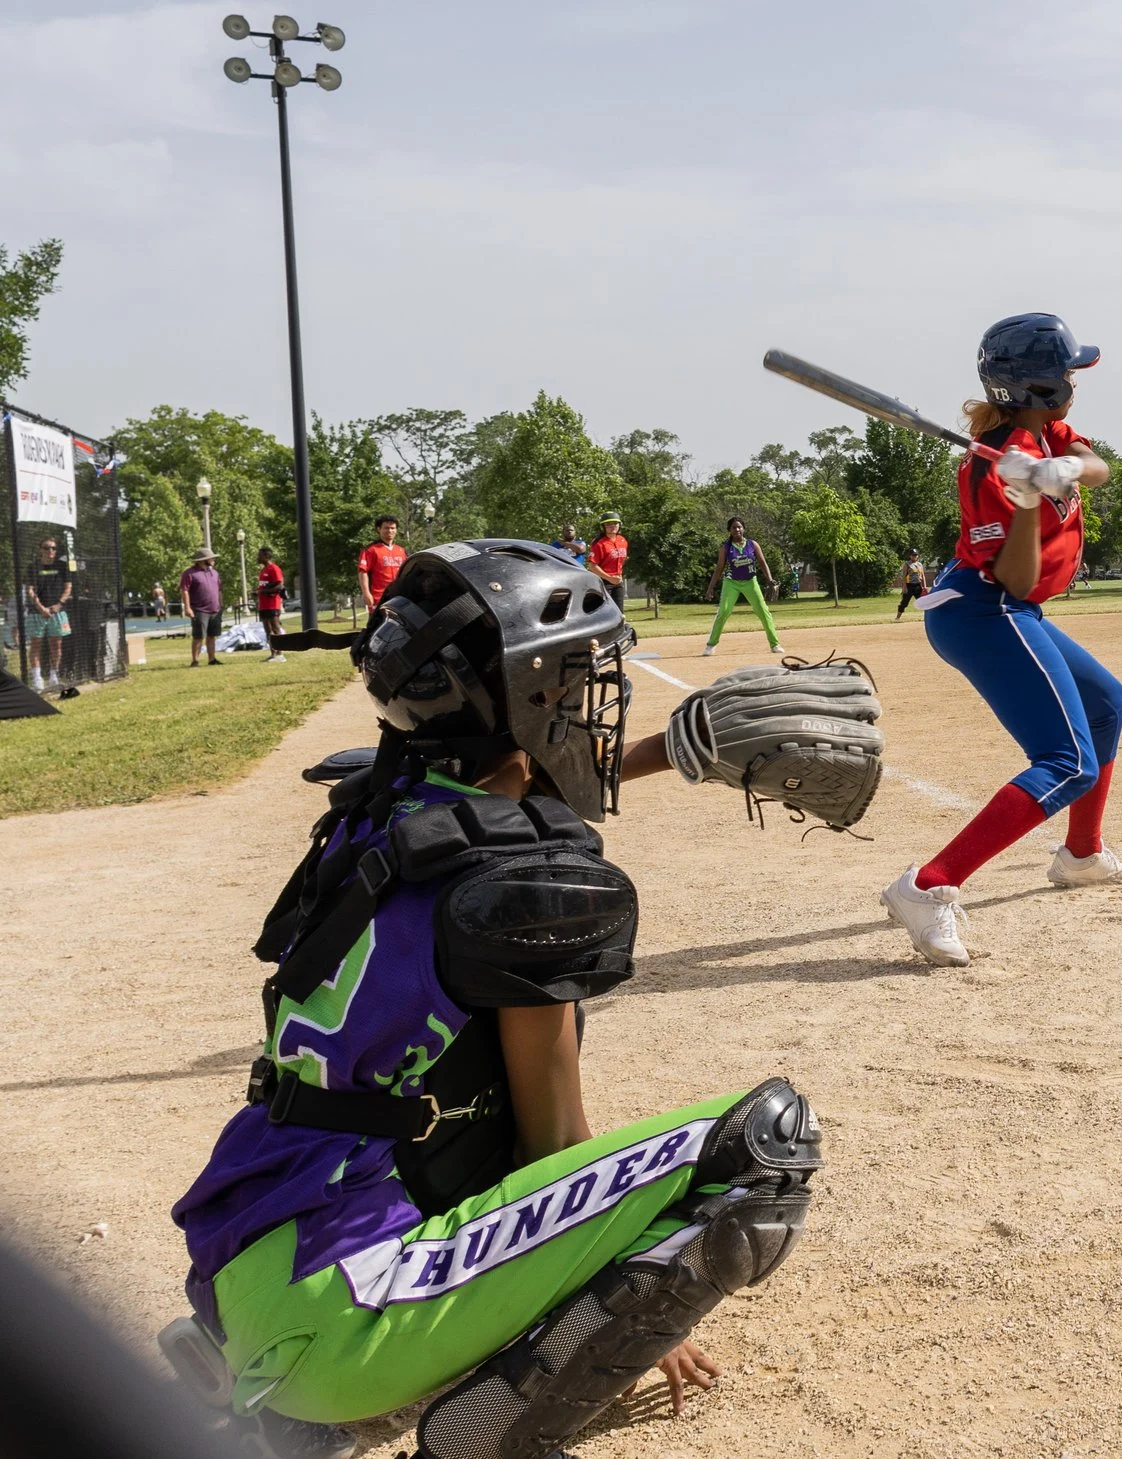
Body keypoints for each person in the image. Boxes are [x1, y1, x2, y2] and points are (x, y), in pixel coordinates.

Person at [164, 539, 820, 1459]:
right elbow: (555, 1150)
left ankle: (296, 1403)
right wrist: (625, 1314)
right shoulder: (527, 885)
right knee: (764, 1146)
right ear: (528, 695)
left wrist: (672, 754)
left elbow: (502, 792)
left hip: (255, 1268)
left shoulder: (376, 805)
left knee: (417, 1104)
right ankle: (467, 1429)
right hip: (347, 1315)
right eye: (575, 680)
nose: (593, 699)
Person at [880, 313, 1122, 968]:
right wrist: (1028, 500)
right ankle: (928, 885)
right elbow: (1018, 580)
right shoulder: (985, 473)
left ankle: (1081, 854)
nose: (1074, 383)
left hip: (1009, 610)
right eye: (1065, 375)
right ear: (1039, 388)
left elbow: (1101, 465)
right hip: (986, 610)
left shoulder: (1046, 433)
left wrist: (1065, 469)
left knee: (1104, 701)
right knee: (1067, 759)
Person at [703, 518, 784, 657]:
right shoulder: (726, 547)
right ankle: (711, 645)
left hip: (750, 582)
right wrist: (710, 588)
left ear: (744, 529)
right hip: (731, 582)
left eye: (739, 527)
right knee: (724, 612)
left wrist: (769, 579)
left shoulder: (753, 544)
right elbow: (719, 569)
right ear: (730, 530)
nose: (737, 530)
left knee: (764, 612)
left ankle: (775, 644)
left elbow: (763, 563)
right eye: (734, 527)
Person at [22, 533, 75, 691]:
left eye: (53, 548)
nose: (50, 551)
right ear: (40, 550)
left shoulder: (61, 566)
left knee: (56, 645)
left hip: (57, 612)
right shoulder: (33, 567)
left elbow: (68, 587)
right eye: (46, 548)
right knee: (36, 645)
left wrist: (59, 604)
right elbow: (29, 589)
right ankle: (37, 679)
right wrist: (40, 607)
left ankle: (54, 676)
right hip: (36, 612)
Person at [177, 548, 222, 670]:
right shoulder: (189, 573)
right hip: (199, 609)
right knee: (198, 636)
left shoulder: (215, 573)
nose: (213, 559)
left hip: (215, 609)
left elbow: (219, 590)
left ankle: (212, 659)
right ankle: (195, 661)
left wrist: (220, 605)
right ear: (203, 560)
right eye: (211, 558)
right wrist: (187, 608)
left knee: (212, 635)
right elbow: (184, 591)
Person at [355, 516, 406, 616]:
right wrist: (366, 593)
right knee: (378, 628)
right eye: (386, 528)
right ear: (379, 529)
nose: (390, 531)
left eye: (393, 528)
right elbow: (363, 571)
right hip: (378, 598)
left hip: (399, 597)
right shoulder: (371, 550)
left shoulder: (401, 551)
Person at [588, 512, 629, 612]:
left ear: (620, 525)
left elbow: (622, 559)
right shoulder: (599, 544)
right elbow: (592, 567)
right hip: (603, 582)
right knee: (605, 612)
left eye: (615, 523)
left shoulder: (622, 540)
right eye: (608, 524)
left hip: (617, 581)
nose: (612, 526)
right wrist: (609, 578)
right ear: (603, 527)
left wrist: (618, 575)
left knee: (619, 613)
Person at [253, 546, 287, 664]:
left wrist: (262, 592)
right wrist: (257, 592)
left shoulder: (274, 569)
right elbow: (263, 586)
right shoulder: (263, 571)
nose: (258, 557)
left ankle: (281, 654)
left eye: (260, 555)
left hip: (273, 604)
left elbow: (279, 586)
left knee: (275, 628)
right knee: (268, 630)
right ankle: (273, 654)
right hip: (263, 604)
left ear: (266, 556)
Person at [894, 547, 929, 620]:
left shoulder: (920, 564)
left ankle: (927, 618)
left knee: (923, 602)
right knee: (904, 603)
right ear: (910, 556)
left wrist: (924, 586)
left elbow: (923, 576)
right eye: (913, 555)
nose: (915, 556)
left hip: (918, 586)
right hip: (909, 586)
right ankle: (897, 618)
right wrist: (904, 587)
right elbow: (904, 576)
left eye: (916, 555)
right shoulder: (907, 564)